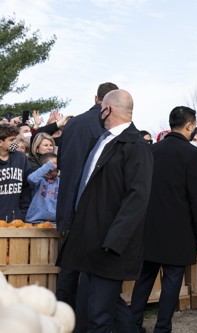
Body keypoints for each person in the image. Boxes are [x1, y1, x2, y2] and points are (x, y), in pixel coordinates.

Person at [57, 89, 153, 332]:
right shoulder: (102, 140)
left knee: (99, 315)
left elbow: (137, 198)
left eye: (102, 109)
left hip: (109, 246)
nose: (100, 113)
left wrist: (114, 240)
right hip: (88, 241)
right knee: (91, 308)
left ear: (108, 109)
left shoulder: (136, 146)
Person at [130, 106, 197, 333]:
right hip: (178, 229)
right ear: (189, 126)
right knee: (172, 280)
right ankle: (162, 327)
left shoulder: (152, 150)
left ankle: (132, 323)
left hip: (149, 225)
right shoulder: (193, 154)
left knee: (144, 277)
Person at [55, 82, 118, 312]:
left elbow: (61, 163)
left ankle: (63, 316)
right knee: (91, 271)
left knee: (70, 267)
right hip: (91, 205)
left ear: (96, 98)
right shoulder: (108, 126)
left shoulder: (72, 125)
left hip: (67, 203)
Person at [0, 124, 31, 222]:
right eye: (11, 140)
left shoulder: (21, 158)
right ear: (0, 142)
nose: (15, 143)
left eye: (15, 139)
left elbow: (27, 188)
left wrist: (23, 213)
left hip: (16, 219)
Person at [25, 152, 59, 225]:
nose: (55, 166)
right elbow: (31, 178)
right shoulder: (40, 180)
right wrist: (48, 166)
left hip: (55, 222)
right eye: (54, 164)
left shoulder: (59, 182)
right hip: (36, 221)